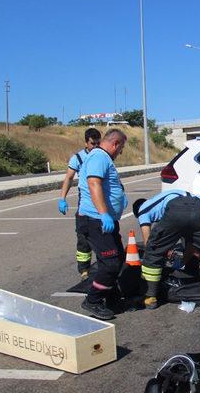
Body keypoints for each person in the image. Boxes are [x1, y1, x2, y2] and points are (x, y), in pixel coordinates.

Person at [77, 129, 129, 320]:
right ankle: (93, 300)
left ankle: (111, 297)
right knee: (110, 263)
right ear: (115, 143)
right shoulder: (99, 157)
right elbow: (94, 184)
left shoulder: (103, 158)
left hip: (105, 220)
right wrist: (104, 213)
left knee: (116, 259)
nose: (120, 152)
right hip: (96, 220)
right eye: (121, 148)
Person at [58, 128, 101, 280]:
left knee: (104, 235)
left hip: (101, 200)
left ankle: (104, 266)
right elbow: (69, 178)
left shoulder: (102, 155)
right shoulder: (78, 158)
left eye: (98, 143)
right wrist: (62, 198)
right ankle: (84, 270)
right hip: (85, 201)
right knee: (83, 238)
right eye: (92, 143)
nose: (95, 146)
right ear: (86, 142)